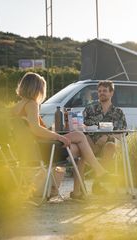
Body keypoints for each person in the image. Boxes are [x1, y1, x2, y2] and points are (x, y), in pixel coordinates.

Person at [11, 72, 111, 200]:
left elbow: (31, 130)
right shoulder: (31, 104)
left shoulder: (16, 107)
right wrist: (58, 137)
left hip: (32, 149)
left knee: (78, 142)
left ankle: (63, 190)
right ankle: (93, 177)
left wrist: (54, 134)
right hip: (43, 150)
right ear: (36, 89)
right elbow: (36, 129)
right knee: (80, 139)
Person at [83, 80, 127, 194]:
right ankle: (79, 188)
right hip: (90, 146)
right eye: (99, 91)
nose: (101, 93)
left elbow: (123, 133)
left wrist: (106, 136)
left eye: (105, 91)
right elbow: (82, 127)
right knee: (82, 139)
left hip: (108, 147)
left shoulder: (118, 112)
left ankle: (97, 184)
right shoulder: (90, 109)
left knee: (110, 146)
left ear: (111, 93)